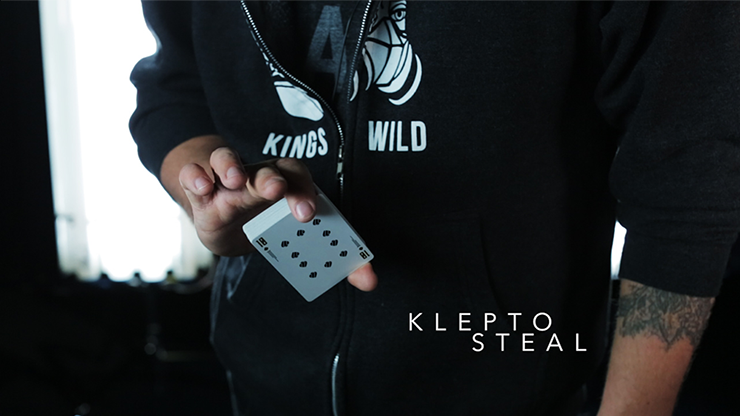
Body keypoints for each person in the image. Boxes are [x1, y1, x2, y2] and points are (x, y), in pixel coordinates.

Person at [129, 0, 740, 414]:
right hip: (264, 379)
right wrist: (214, 188)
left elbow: (686, 181)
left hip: (510, 379)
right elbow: (175, 87)